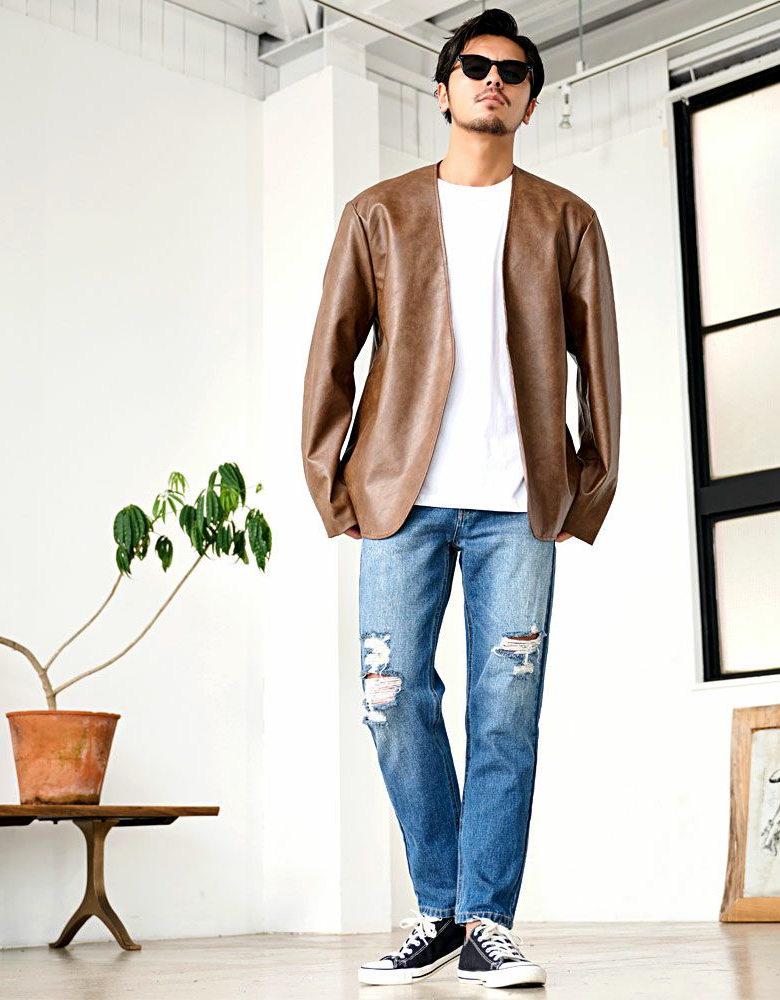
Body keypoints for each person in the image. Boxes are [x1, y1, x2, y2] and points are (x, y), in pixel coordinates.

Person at [301, 7, 620, 990]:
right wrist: (330, 481)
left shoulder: (566, 219)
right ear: (441, 89)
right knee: (391, 697)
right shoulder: (378, 211)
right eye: (475, 66)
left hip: (519, 506)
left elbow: (598, 366)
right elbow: (332, 350)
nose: (493, 80)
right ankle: (438, 908)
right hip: (400, 499)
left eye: (512, 73)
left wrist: (588, 488)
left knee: (504, 717)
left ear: (528, 102)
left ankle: (483, 920)